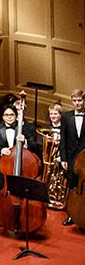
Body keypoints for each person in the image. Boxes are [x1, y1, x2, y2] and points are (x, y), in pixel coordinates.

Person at [0, 102, 40, 188]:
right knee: (1, 184)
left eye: (12, 114)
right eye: (6, 115)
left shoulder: (24, 129)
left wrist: (25, 141)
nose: (9, 117)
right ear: (3, 116)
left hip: (22, 164)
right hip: (3, 165)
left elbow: (34, 146)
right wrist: (1, 150)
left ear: (16, 116)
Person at [60, 88, 85, 224]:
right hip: (70, 157)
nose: (77, 103)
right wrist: (63, 158)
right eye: (74, 101)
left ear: (84, 100)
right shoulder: (65, 116)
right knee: (71, 185)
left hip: (84, 158)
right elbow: (63, 139)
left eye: (79, 100)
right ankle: (70, 214)